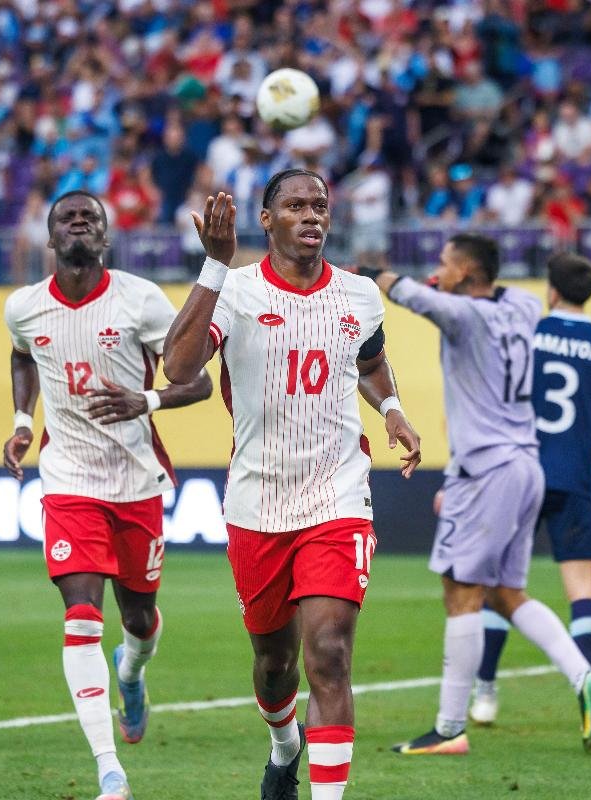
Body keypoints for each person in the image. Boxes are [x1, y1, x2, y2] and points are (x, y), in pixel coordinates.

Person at [163, 171, 423, 800]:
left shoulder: (360, 296)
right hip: (257, 502)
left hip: (338, 495)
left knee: (328, 653)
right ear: (268, 218)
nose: (311, 216)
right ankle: (285, 744)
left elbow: (368, 359)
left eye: (319, 206)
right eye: (296, 206)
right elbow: (177, 367)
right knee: (275, 665)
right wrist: (213, 268)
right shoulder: (236, 291)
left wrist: (391, 408)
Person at [2, 191, 213, 800]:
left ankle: (133, 671)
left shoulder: (139, 299)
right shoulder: (24, 307)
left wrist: (144, 401)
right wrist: (22, 420)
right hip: (67, 479)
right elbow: (21, 356)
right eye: (67, 217)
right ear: (50, 239)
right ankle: (109, 769)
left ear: (104, 238)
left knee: (139, 620)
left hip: (136, 481)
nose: (78, 224)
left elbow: (194, 381)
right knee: (80, 619)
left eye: (89, 218)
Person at [371, 234, 591, 756]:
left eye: (445, 261)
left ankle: (449, 728)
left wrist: (371, 273)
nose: (439, 268)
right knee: (506, 594)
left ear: (464, 273)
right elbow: (450, 292)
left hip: (486, 470)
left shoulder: (462, 316)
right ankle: (585, 676)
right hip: (527, 465)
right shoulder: (525, 305)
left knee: (460, 591)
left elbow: (415, 296)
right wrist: (444, 282)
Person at [471, 252, 591, 727]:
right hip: (574, 482)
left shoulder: (529, 332)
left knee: (499, 586)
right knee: (583, 592)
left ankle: (485, 693)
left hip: (517, 475)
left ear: (551, 291)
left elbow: (490, 396)